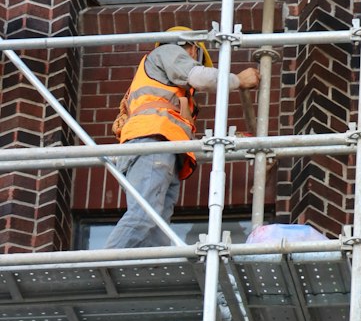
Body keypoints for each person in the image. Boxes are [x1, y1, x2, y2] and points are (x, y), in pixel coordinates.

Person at [107, 26, 260, 248]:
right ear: (191, 49)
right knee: (144, 216)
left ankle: (150, 274)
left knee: (157, 228)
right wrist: (237, 80)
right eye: (196, 57)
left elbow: (182, 133)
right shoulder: (167, 52)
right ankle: (99, 268)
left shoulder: (176, 95)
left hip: (162, 148)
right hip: (153, 142)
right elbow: (199, 77)